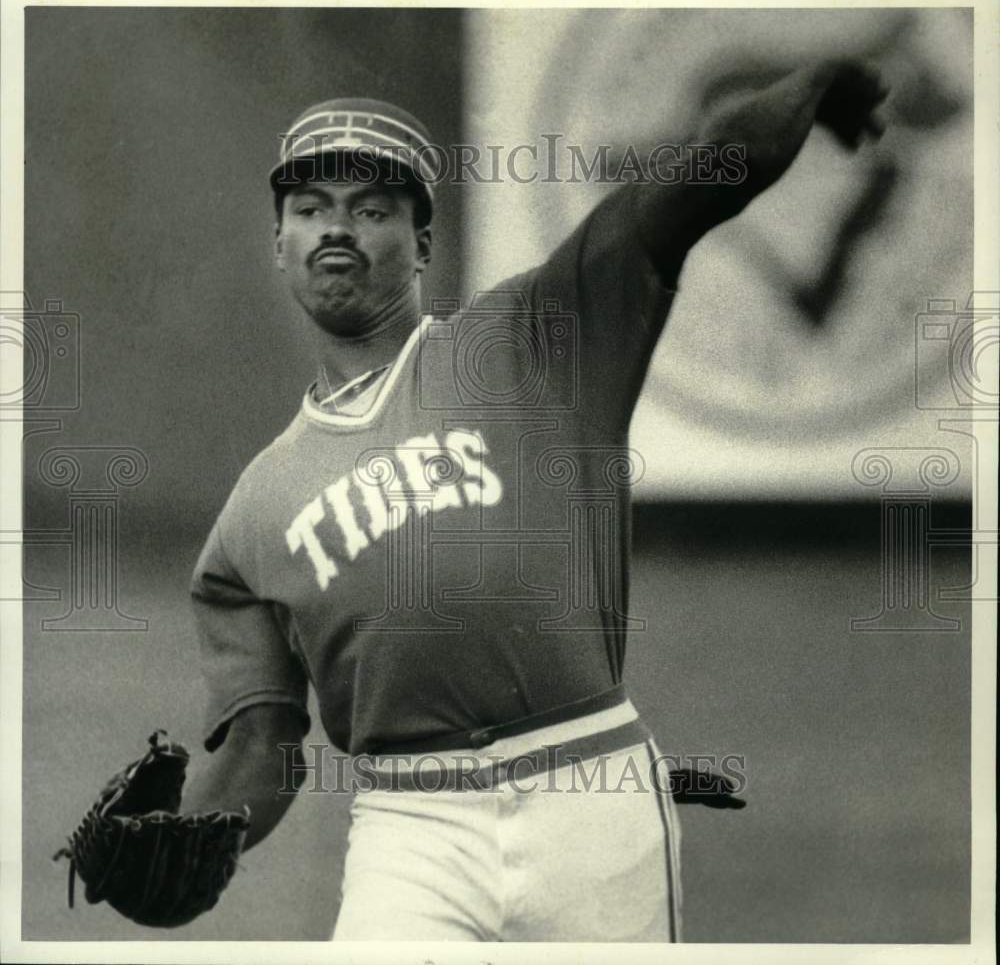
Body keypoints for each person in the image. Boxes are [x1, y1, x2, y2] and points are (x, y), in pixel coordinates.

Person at [181, 64, 888, 941]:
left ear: (424, 243)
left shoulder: (534, 336)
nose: (338, 227)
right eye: (311, 206)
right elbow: (263, 748)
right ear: (278, 243)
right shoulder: (252, 515)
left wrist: (809, 88)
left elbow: (692, 184)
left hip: (589, 794)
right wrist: (179, 841)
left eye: (372, 207)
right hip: (412, 832)